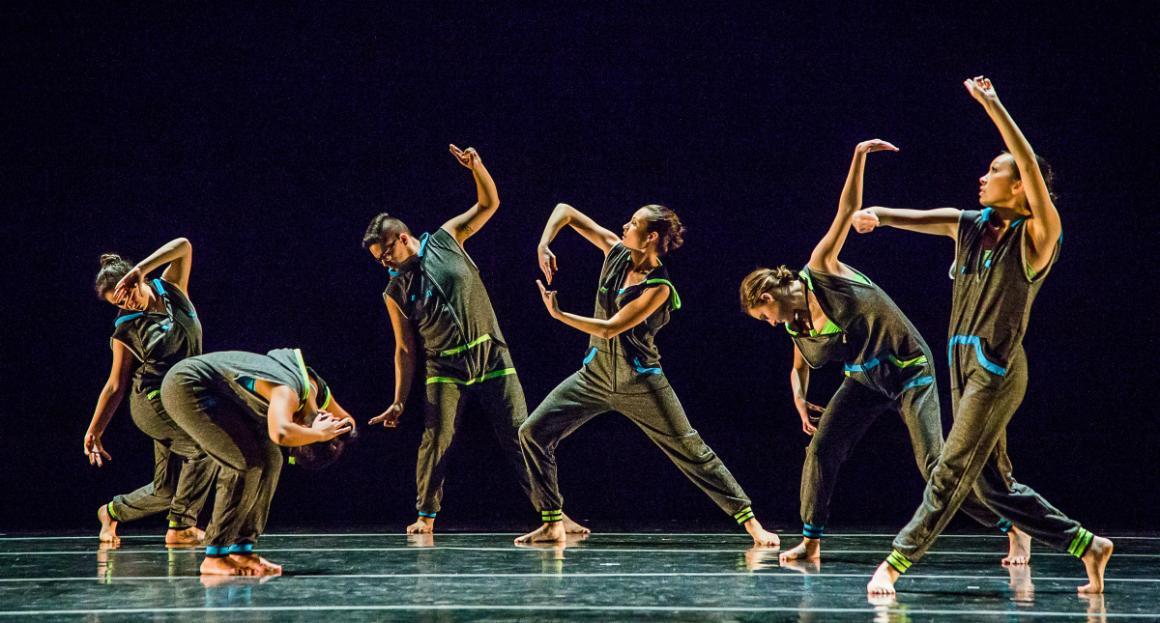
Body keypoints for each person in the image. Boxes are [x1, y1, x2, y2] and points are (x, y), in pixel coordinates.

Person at [860, 76, 1112, 595]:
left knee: (950, 467)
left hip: (997, 370)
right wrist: (878, 216)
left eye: (995, 171)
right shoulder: (973, 226)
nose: (983, 177)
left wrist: (995, 107)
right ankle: (1088, 545)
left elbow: (1028, 167)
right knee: (993, 485)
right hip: (961, 365)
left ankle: (897, 560)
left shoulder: (1038, 235)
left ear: (1020, 186)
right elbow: (930, 218)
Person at [739, 140, 1025, 565]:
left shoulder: (821, 269)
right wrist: (799, 400)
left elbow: (844, 210)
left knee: (934, 466)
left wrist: (857, 158)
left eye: (765, 314)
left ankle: (1015, 529)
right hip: (866, 379)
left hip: (911, 371)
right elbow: (799, 368)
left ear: (768, 293)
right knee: (820, 450)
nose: (771, 323)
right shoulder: (796, 324)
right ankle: (811, 542)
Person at [516, 202, 779, 546]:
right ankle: (553, 522)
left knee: (691, 450)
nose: (625, 226)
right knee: (533, 432)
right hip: (593, 375)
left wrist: (559, 314)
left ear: (650, 236)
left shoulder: (659, 287)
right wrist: (543, 244)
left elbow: (612, 328)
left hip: (640, 382)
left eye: (634, 223)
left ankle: (752, 524)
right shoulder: (615, 253)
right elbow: (565, 211)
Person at [363, 145, 583, 535]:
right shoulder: (394, 291)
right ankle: (425, 516)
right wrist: (398, 399)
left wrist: (477, 167)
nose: (385, 264)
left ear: (402, 237)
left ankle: (554, 514)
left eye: (386, 256)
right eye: (380, 262)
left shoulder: (446, 239)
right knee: (436, 439)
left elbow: (489, 203)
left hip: (492, 356)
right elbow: (403, 348)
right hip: (444, 366)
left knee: (522, 435)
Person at [161, 348, 354, 576]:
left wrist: (323, 434)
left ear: (301, 428)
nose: (329, 421)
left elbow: (283, 434)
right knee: (244, 463)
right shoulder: (308, 390)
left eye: (325, 432)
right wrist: (336, 433)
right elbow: (339, 422)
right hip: (187, 385)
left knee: (271, 461)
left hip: (222, 398)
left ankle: (243, 550)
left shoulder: (294, 401)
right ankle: (215, 556)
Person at [84, 238, 217, 545]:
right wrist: (95, 431)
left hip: (186, 398)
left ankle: (112, 512)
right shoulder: (126, 328)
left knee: (165, 489)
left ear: (136, 279)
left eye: (126, 293)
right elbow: (116, 385)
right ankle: (182, 526)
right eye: (117, 303)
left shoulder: (172, 287)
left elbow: (183, 245)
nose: (126, 303)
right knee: (206, 449)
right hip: (153, 403)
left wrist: (141, 268)